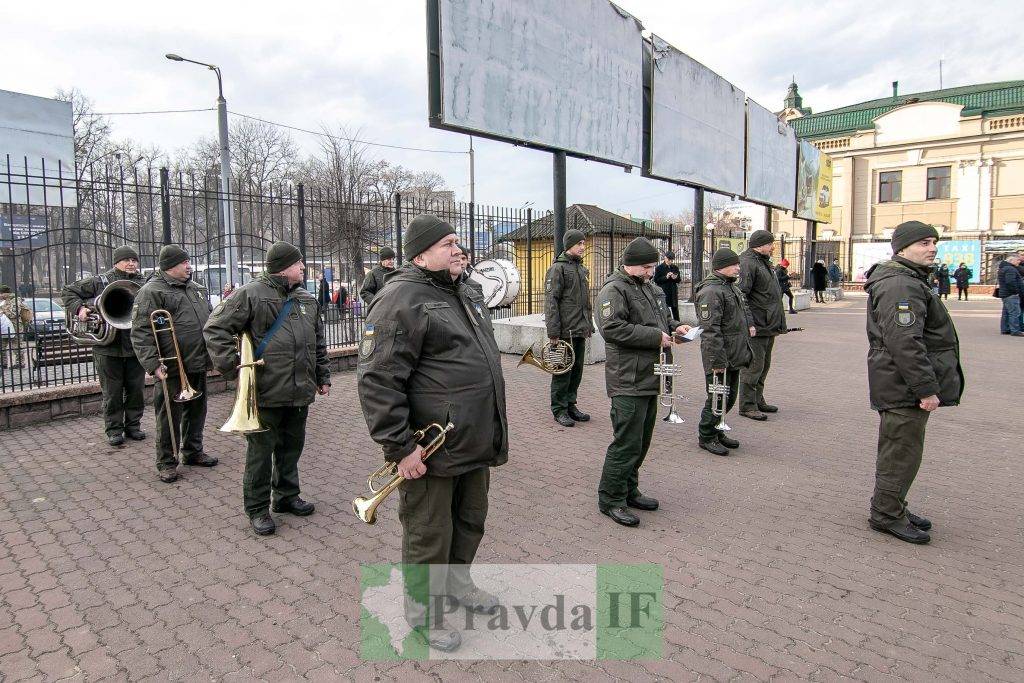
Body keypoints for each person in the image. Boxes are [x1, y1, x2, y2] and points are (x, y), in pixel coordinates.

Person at [357, 214, 508, 653]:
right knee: (428, 534)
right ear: (420, 253)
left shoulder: (466, 292)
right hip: (430, 447)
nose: (458, 249)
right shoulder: (401, 298)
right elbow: (377, 380)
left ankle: (459, 587)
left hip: (473, 438)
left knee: (468, 522)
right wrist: (401, 447)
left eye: (458, 241)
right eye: (447, 244)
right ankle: (424, 614)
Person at [204, 241, 331, 536]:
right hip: (264, 392)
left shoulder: (306, 299)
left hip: (300, 391)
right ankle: (257, 509)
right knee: (261, 455)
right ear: (284, 266)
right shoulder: (251, 294)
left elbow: (317, 342)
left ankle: (286, 497)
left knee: (291, 448)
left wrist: (322, 376)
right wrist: (234, 366)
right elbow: (216, 328)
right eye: (298, 263)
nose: (303, 267)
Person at [864, 221, 963, 544]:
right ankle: (886, 514)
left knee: (903, 449)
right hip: (902, 385)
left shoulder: (906, 280)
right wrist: (926, 388)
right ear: (902, 248)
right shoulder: (899, 285)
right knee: (900, 451)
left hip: (900, 382)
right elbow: (905, 342)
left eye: (934, 242)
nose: (932, 248)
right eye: (923, 243)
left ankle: (892, 505)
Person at [595, 237, 690, 528]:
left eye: (652, 266)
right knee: (627, 442)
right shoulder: (614, 290)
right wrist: (655, 337)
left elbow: (663, 319)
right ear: (631, 264)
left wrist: (677, 328)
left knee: (642, 441)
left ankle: (628, 489)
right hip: (628, 378)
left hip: (651, 374)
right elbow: (611, 328)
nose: (652, 271)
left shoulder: (649, 287)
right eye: (647, 267)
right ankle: (610, 499)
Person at [131, 245, 217, 483]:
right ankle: (167, 462)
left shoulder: (196, 289)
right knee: (169, 416)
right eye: (184, 262)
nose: (189, 266)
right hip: (171, 365)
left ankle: (193, 451)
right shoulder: (152, 291)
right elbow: (140, 332)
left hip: (197, 359)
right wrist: (153, 364)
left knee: (197, 410)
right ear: (170, 266)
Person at [61, 246, 149, 446]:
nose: (131, 263)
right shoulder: (100, 281)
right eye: (126, 260)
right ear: (116, 263)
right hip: (107, 347)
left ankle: (133, 426)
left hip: (135, 345)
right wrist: (80, 308)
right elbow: (68, 291)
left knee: (136, 390)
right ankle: (114, 429)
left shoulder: (143, 283)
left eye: (134, 260)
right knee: (112, 392)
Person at [693, 248, 753, 456]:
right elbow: (710, 330)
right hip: (719, 357)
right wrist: (717, 361)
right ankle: (706, 435)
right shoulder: (711, 291)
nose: (739, 267)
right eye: (734, 264)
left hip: (733, 354)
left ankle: (717, 429)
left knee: (729, 396)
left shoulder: (728, 286)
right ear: (722, 266)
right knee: (717, 398)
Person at [544, 228, 595, 427]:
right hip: (564, 332)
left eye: (584, 243)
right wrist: (553, 332)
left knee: (577, 371)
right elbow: (551, 302)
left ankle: (570, 405)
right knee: (562, 371)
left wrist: (588, 325)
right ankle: (559, 410)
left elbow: (585, 302)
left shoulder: (581, 269)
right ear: (569, 245)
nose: (583, 247)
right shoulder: (558, 269)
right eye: (579, 244)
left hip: (579, 329)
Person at [737, 230, 787, 421]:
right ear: (759, 245)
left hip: (767, 325)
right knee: (753, 366)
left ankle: (758, 399)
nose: (773, 246)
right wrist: (749, 322)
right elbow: (742, 295)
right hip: (756, 326)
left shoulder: (763, 261)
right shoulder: (748, 262)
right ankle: (747, 405)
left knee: (764, 365)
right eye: (770, 243)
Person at [0, 285, 32, 369]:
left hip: (15, 326)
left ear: (5, 293)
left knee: (16, 345)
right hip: (3, 327)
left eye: (1, 293)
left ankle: (20, 363)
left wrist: (3, 311)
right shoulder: (3, 301)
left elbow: (14, 313)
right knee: (2, 346)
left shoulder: (15, 300)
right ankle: (3, 363)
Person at [997, 253, 1023, 336]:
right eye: (1017, 260)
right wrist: (1016, 291)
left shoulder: (1004, 268)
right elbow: (1010, 282)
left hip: (1006, 294)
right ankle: (1015, 330)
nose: (1019, 261)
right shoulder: (1010, 269)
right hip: (1011, 294)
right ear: (1011, 260)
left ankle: (1005, 329)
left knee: (1006, 312)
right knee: (1015, 312)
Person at [653, 250, 681, 321]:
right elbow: (656, 280)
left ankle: (677, 323)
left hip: (673, 291)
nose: (670, 261)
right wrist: (666, 277)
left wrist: (675, 278)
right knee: (664, 308)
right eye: (669, 259)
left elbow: (679, 280)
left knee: (675, 308)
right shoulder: (659, 268)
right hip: (664, 291)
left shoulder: (675, 267)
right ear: (665, 258)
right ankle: (666, 323)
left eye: (672, 260)